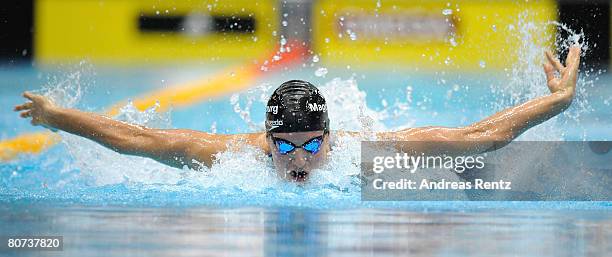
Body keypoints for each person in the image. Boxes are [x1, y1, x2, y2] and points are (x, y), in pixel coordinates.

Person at [14, 47, 581, 182]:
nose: (300, 161)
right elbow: (136, 138)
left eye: (312, 144)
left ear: (330, 135)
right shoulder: (237, 156)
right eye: (285, 147)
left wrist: (555, 102)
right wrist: (57, 116)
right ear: (267, 138)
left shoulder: (368, 152)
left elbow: (476, 136)